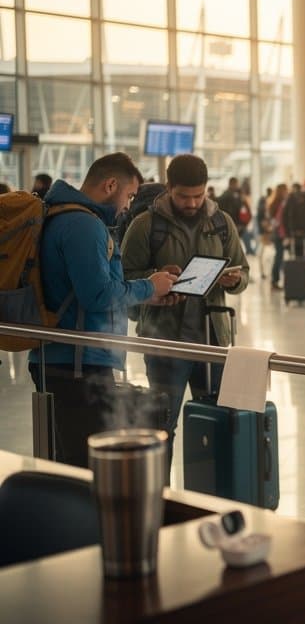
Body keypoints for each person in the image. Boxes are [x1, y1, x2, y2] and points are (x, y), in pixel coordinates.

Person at [27, 153, 178, 467]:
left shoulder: (59, 214)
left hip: (64, 358)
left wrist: (144, 293)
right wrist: (150, 287)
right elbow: (97, 295)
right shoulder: (84, 224)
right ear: (111, 185)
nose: (127, 205)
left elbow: (93, 288)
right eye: (129, 195)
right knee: (88, 465)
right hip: (79, 365)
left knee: (70, 459)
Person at [121, 154, 248, 453]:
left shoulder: (221, 223)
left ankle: (212, 498)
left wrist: (235, 280)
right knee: (162, 429)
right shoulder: (146, 226)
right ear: (168, 188)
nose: (192, 203)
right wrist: (155, 278)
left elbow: (243, 270)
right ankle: (160, 496)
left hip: (213, 343)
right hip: (165, 344)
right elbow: (123, 279)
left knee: (217, 425)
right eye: (183, 196)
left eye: (198, 195)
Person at [267, 183, 289, 290]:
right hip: (280, 234)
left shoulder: (273, 203)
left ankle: (275, 280)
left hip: (275, 234)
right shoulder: (281, 204)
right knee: (279, 257)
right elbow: (280, 221)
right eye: (285, 190)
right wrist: (284, 236)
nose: (287, 192)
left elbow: (274, 221)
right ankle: (274, 281)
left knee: (278, 257)